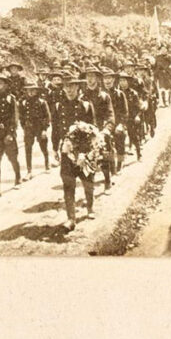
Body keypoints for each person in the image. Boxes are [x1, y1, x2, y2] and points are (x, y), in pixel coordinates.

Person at [54, 74, 98, 230]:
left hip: (83, 151)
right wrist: (56, 148)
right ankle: (70, 218)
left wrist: (84, 152)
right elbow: (56, 128)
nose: (69, 89)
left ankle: (90, 207)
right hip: (66, 150)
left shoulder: (86, 106)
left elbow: (93, 130)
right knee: (67, 182)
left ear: (78, 87)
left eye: (72, 86)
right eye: (66, 86)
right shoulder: (59, 106)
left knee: (88, 181)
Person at [0, 72, 21, 198]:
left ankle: (18, 178)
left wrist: (11, 133)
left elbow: (14, 117)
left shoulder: (10, 98)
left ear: (6, 85)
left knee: (12, 157)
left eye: (0, 83)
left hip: (8, 132)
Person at [83, 65, 116, 192]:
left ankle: (107, 180)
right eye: (88, 76)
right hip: (87, 131)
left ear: (97, 79)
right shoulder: (83, 96)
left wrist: (107, 129)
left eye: (93, 76)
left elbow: (110, 114)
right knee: (87, 159)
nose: (90, 79)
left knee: (104, 158)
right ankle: (89, 190)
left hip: (101, 130)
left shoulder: (104, 96)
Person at [19, 78, 51, 177]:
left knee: (43, 147)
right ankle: (29, 171)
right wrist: (24, 126)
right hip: (29, 128)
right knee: (28, 148)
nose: (31, 92)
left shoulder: (42, 102)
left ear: (37, 90)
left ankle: (47, 164)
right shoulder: (23, 102)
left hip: (40, 127)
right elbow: (21, 116)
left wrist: (44, 129)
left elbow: (47, 116)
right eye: (29, 90)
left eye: (33, 90)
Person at [102, 68, 130, 173]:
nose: (107, 81)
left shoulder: (119, 94)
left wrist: (122, 124)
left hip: (118, 123)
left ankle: (120, 164)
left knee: (120, 141)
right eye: (105, 78)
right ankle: (111, 167)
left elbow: (125, 112)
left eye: (109, 78)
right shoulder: (101, 95)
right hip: (107, 125)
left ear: (113, 80)